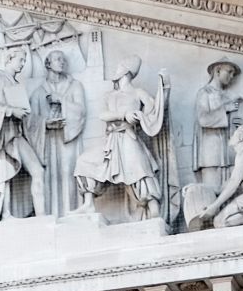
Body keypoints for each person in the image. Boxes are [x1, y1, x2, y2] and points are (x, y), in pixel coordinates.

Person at [75, 56, 169, 220]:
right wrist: (124, 114)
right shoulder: (110, 95)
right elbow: (103, 115)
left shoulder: (138, 93)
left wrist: (165, 89)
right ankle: (88, 204)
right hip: (111, 141)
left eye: (119, 67)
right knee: (84, 161)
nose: (116, 70)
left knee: (140, 170)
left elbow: (154, 113)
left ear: (126, 71)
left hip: (128, 138)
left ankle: (153, 208)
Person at [0, 48, 46, 219]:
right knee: (5, 172)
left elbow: (26, 115)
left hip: (17, 134)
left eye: (24, 60)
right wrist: (11, 111)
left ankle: (41, 216)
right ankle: (6, 213)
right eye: (20, 60)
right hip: (4, 134)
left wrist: (44, 123)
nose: (23, 64)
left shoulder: (16, 83)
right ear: (9, 59)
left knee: (38, 171)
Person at [30, 50, 85, 216]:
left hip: (68, 137)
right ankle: (50, 215)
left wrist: (61, 100)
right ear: (48, 64)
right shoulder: (38, 92)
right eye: (57, 59)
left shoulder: (75, 86)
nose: (62, 62)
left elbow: (81, 111)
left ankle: (72, 212)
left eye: (63, 59)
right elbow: (30, 122)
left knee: (69, 173)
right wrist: (45, 124)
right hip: (48, 141)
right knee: (50, 177)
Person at [193, 60, 243, 190]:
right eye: (229, 72)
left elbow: (233, 122)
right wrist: (226, 109)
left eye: (233, 74)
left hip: (229, 153)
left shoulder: (228, 96)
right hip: (211, 154)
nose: (231, 77)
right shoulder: (204, 93)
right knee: (211, 192)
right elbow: (203, 119)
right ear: (218, 71)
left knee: (231, 192)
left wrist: (239, 124)